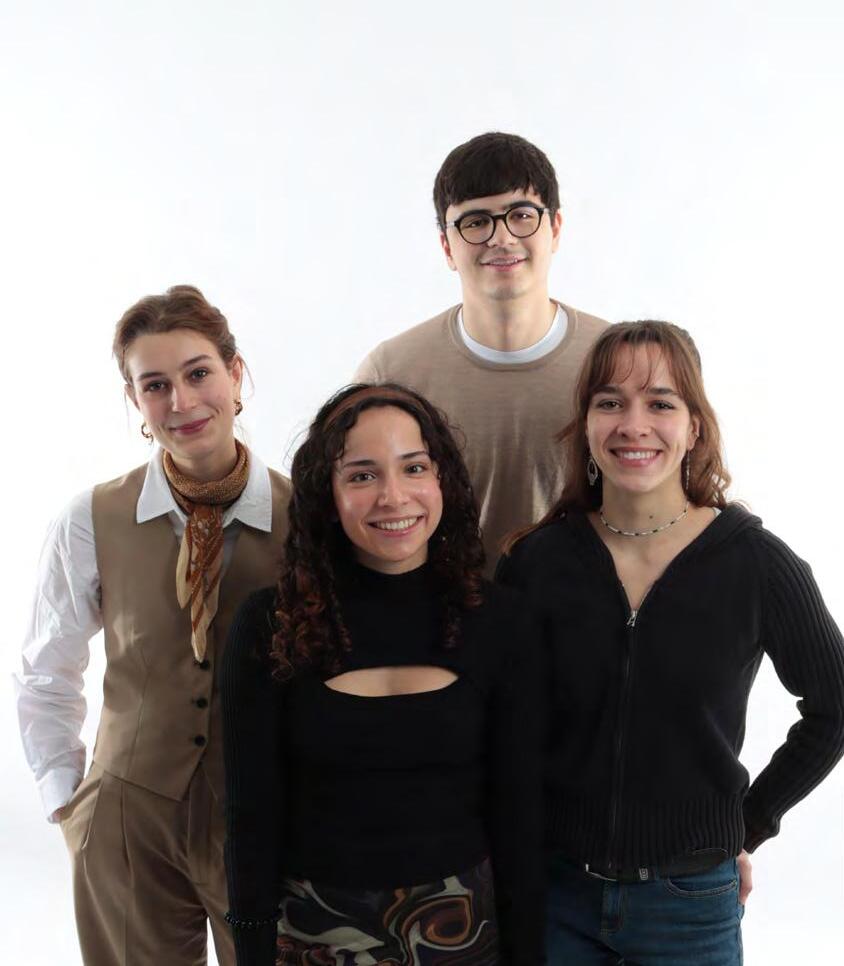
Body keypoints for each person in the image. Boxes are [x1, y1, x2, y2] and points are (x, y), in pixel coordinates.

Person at [496, 320, 844, 965]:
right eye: (610, 402)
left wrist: (749, 824)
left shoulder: (757, 564)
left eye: (660, 403)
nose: (634, 425)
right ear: (585, 425)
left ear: (695, 428)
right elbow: (502, 725)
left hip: (690, 906)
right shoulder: (538, 563)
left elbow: (836, 707)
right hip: (554, 895)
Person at [221, 383, 545, 966]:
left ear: (442, 479)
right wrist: (251, 952)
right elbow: (250, 819)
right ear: (327, 495)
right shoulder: (268, 624)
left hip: (465, 936)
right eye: (363, 475)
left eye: (413, 467)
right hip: (314, 938)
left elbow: (519, 815)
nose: (394, 497)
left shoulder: (501, 620)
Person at [14, 285, 291, 966]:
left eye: (198, 373)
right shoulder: (90, 518)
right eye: (155, 385)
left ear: (236, 374)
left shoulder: (309, 515)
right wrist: (68, 804)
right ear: (134, 400)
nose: (181, 402)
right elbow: (46, 668)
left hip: (269, 818)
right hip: (126, 819)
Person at [355, 131, 607, 571]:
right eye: (475, 222)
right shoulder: (391, 373)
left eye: (521, 215)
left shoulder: (615, 361)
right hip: (440, 612)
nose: (501, 238)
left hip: (585, 611)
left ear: (555, 229)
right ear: (447, 247)